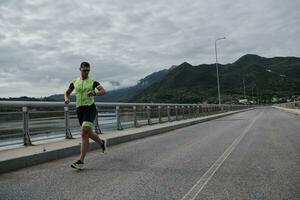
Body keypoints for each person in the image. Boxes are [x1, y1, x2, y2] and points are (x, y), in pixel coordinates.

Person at [64, 61, 107, 170]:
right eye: (84, 70)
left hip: (90, 108)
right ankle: (102, 143)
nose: (86, 72)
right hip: (80, 109)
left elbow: (103, 91)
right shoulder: (75, 82)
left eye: (88, 70)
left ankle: (80, 161)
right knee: (88, 133)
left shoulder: (93, 81)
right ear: (80, 69)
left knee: (84, 132)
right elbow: (67, 92)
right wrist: (66, 99)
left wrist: (95, 93)